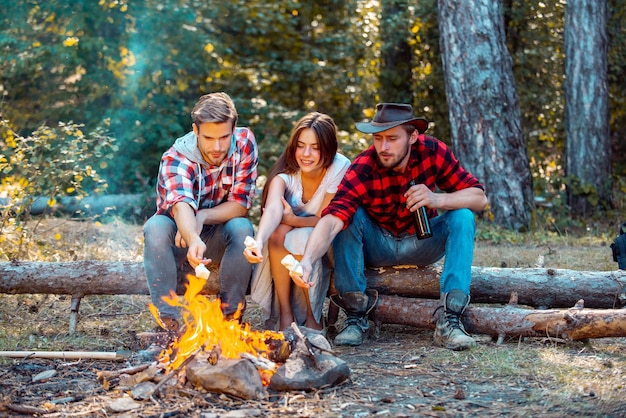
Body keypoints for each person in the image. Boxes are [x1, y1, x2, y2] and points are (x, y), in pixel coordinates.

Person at [290, 103, 488, 351]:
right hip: (377, 245)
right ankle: (355, 317)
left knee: (462, 217)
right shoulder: (363, 165)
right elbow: (331, 219)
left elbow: (479, 197)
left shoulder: (433, 152)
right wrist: (307, 260)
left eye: (392, 139)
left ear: (413, 137)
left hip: (421, 242)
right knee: (347, 216)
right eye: (378, 138)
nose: (383, 147)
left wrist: (438, 199)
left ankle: (450, 320)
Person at [143, 92, 258, 333]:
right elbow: (181, 203)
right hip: (178, 241)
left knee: (242, 227)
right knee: (155, 227)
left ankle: (230, 317)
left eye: (224, 137)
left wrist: (203, 216)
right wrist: (192, 235)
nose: (217, 147)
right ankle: (169, 321)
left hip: (218, 238)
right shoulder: (176, 158)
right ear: (195, 131)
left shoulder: (245, 142)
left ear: (234, 129)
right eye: (208, 137)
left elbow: (240, 204)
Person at [244, 112, 350, 331]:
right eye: (300, 146)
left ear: (328, 148)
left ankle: (313, 316)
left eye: (315, 147)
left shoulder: (338, 166)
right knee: (276, 232)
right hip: (288, 241)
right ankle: (285, 314)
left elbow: (326, 218)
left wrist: (293, 220)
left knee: (297, 234)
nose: (306, 154)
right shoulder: (285, 174)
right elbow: (273, 209)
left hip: (329, 241)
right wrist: (258, 240)